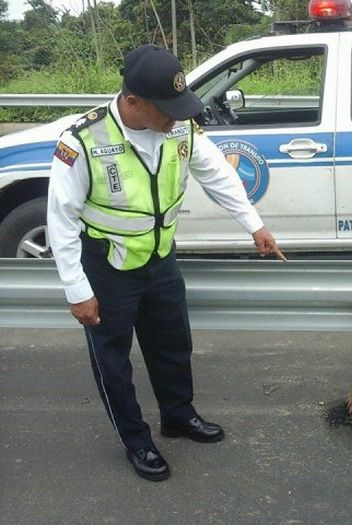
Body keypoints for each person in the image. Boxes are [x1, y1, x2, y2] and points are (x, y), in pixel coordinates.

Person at [47, 44, 286, 482]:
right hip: (108, 269)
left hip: (159, 259)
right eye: (167, 109)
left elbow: (216, 173)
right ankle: (136, 440)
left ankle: (178, 416)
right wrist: (77, 290)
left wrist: (254, 225)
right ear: (133, 102)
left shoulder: (180, 129)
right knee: (113, 362)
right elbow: (60, 220)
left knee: (173, 345)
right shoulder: (83, 141)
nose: (176, 118)